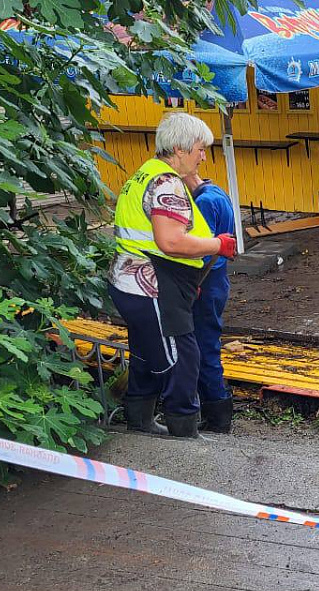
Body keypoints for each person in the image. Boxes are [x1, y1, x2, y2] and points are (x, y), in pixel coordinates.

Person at [109, 112, 237, 438]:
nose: (203, 157)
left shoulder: (144, 173)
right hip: (152, 285)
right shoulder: (166, 184)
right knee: (182, 356)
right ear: (180, 149)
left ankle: (139, 420)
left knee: (145, 351)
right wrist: (217, 244)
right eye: (200, 149)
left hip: (131, 280)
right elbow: (171, 242)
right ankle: (184, 431)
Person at [184, 173, 235, 434]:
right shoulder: (218, 193)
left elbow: (201, 249)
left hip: (206, 280)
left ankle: (217, 415)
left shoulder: (203, 203)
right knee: (208, 344)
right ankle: (217, 409)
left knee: (204, 348)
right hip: (218, 279)